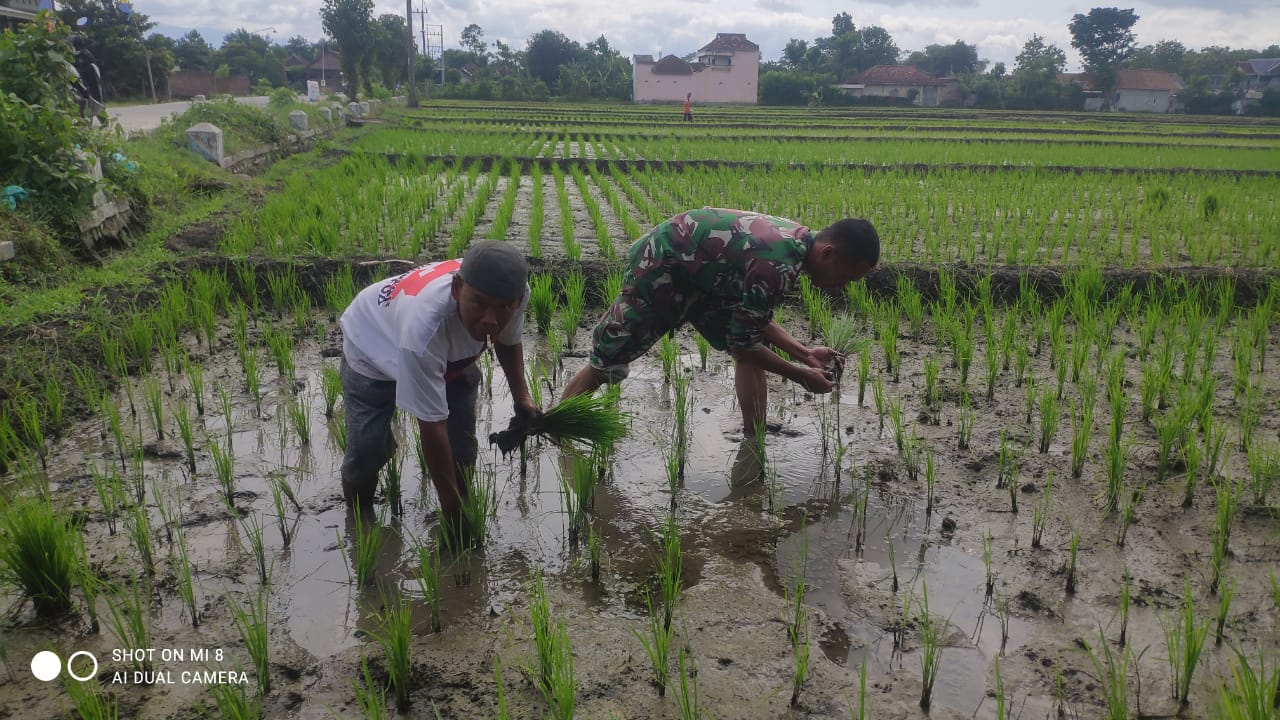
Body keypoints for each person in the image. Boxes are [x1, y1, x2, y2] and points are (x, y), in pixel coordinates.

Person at [560, 207, 879, 434]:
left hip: (705, 277)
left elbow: (755, 324)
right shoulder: (777, 265)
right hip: (665, 265)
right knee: (609, 357)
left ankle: (754, 434)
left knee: (749, 342)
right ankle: (555, 425)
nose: (843, 286)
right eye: (847, 277)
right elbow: (745, 344)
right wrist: (800, 375)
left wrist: (805, 353)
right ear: (828, 254)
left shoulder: (797, 245)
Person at [338, 241, 538, 528]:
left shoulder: (514, 292)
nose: (490, 320)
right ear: (457, 289)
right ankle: (360, 525)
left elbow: (507, 340)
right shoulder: (423, 332)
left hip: (448, 355)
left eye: (503, 308)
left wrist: (523, 398)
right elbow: (432, 427)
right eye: (478, 303)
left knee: (462, 448)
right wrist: (453, 513)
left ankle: (465, 502)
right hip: (372, 347)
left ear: (517, 301)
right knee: (367, 449)